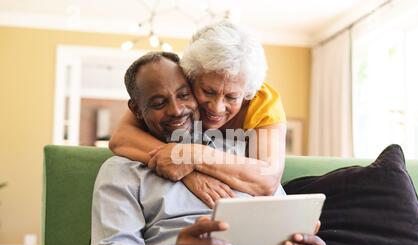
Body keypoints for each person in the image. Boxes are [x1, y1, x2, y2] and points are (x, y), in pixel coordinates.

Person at [91, 51, 406, 245]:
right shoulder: (121, 170)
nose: (176, 110)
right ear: (135, 109)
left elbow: (281, 217)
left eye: (184, 95)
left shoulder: (240, 151)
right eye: (158, 103)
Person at [109, 20, 287, 208]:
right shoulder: (178, 86)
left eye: (232, 97)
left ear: (247, 92)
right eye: (208, 91)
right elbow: (121, 138)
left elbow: (267, 180)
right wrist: (188, 173)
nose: (217, 108)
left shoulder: (262, 102)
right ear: (190, 76)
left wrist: (194, 156)